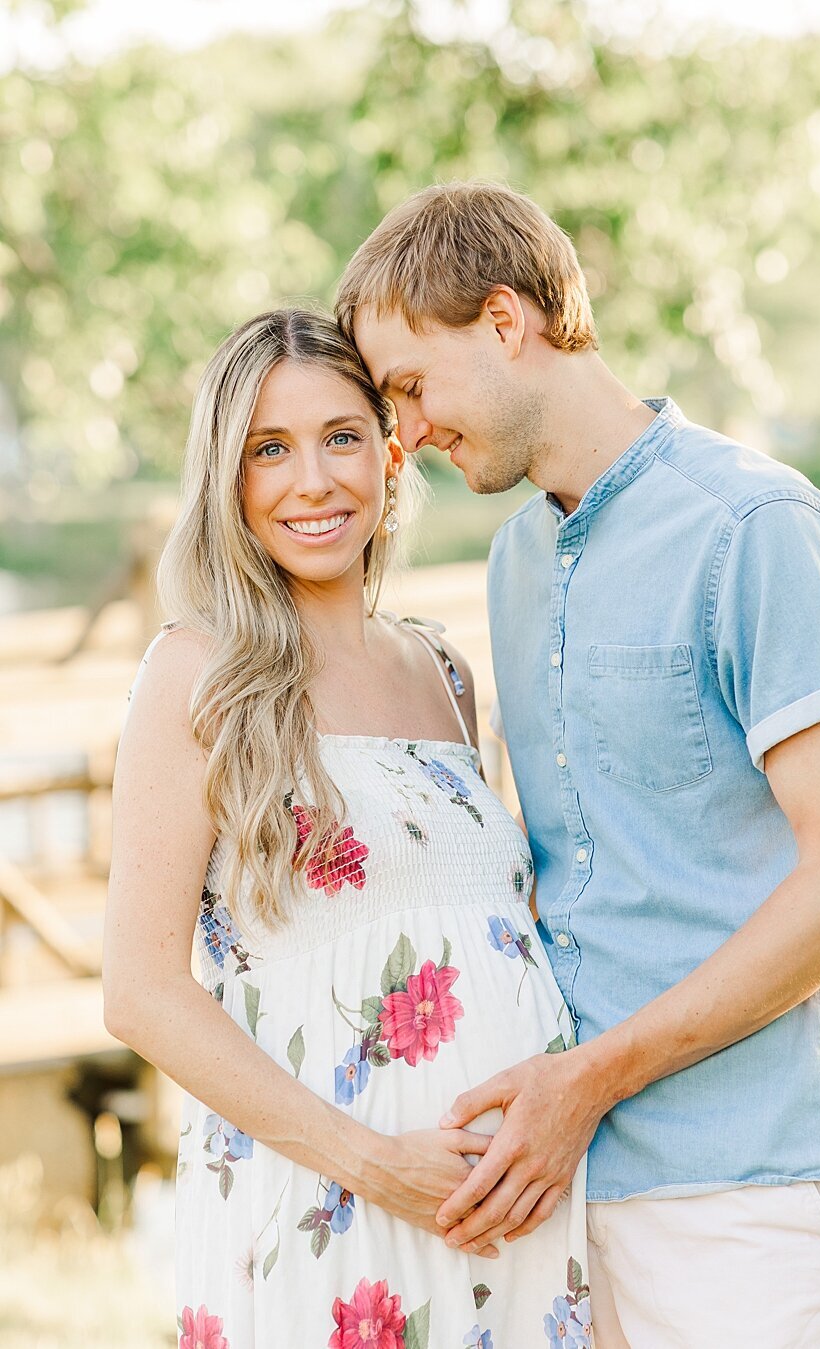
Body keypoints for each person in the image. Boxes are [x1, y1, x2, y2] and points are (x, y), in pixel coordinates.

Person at [335, 181, 820, 1348]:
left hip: (760, 1188)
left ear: (505, 322)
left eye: (409, 384)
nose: (406, 433)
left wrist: (589, 1077)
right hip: (573, 1193)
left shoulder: (754, 529)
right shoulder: (514, 564)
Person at [102, 309, 592, 1348]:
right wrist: (377, 1162)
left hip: (517, 1220)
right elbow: (140, 991)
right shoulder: (198, 674)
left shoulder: (445, 670)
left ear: (390, 451)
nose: (313, 481)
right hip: (329, 1217)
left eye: (341, 436)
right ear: (225, 481)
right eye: (268, 450)